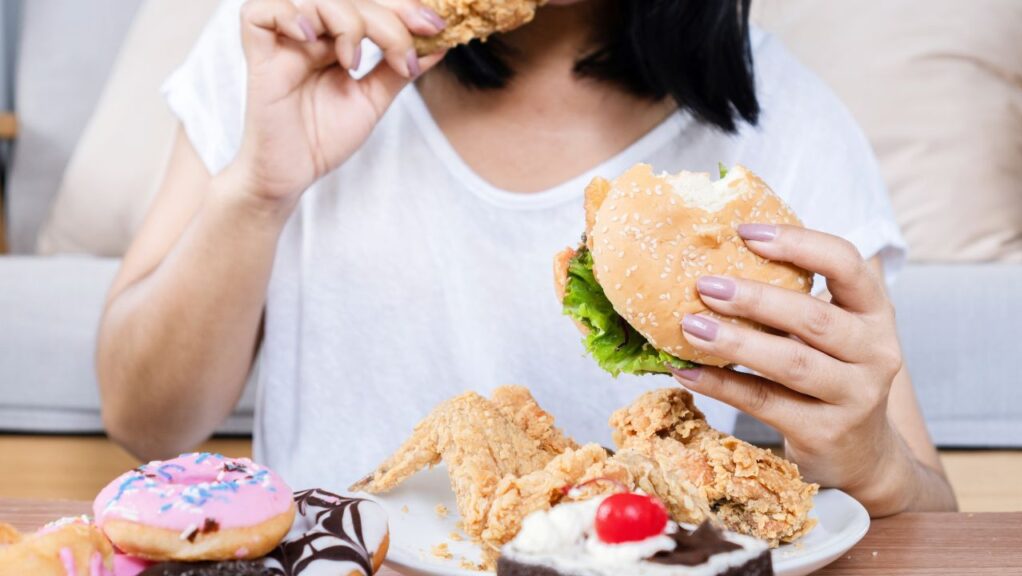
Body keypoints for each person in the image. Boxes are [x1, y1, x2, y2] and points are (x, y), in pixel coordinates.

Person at [96, 0, 957, 515]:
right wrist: (256, 189)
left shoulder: (789, 122)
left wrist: (871, 460)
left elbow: (927, 502)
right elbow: (146, 422)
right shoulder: (287, 42)